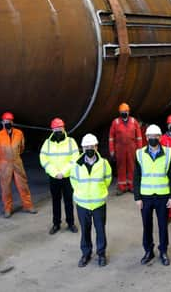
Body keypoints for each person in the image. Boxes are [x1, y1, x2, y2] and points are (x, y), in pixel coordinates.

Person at [134, 124, 171, 266]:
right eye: (150, 137)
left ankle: (163, 251)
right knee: (146, 225)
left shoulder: (168, 153)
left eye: (155, 136)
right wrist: (137, 198)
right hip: (145, 197)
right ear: (146, 138)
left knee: (163, 226)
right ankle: (148, 251)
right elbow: (136, 177)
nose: (153, 139)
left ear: (160, 137)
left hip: (162, 196)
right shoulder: (140, 154)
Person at [71, 133, 113, 267]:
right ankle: (86, 254)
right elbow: (74, 181)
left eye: (91, 146)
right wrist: (81, 193)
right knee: (85, 230)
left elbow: (107, 179)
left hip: (98, 203)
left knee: (100, 230)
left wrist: (99, 191)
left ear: (96, 147)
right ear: (82, 148)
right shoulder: (76, 165)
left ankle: (101, 254)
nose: (89, 149)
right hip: (82, 203)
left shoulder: (104, 163)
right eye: (86, 146)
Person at [0, 112, 36, 218]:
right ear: (2, 122)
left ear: (12, 122)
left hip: (17, 162)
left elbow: (22, 147)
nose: (7, 123)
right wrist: (2, 160)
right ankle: (8, 209)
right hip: (4, 164)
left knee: (23, 185)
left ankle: (28, 206)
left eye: (9, 121)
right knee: (5, 188)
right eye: (6, 121)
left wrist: (14, 157)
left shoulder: (19, 133)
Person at [40, 118, 79, 234]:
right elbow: (43, 159)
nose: (58, 130)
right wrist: (55, 173)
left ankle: (70, 223)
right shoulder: (47, 143)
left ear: (64, 128)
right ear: (52, 129)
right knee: (55, 201)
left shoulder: (71, 142)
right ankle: (56, 224)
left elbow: (75, 158)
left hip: (67, 177)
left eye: (60, 128)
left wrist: (63, 172)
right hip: (54, 177)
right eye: (56, 128)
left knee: (68, 201)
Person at [109, 103, 143, 195]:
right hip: (120, 148)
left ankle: (132, 186)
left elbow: (139, 136)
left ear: (129, 111)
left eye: (126, 111)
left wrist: (140, 150)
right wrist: (112, 151)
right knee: (121, 168)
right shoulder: (115, 122)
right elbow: (111, 138)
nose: (125, 113)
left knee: (132, 166)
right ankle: (122, 187)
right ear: (120, 112)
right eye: (123, 112)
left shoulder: (133, 121)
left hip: (132, 147)